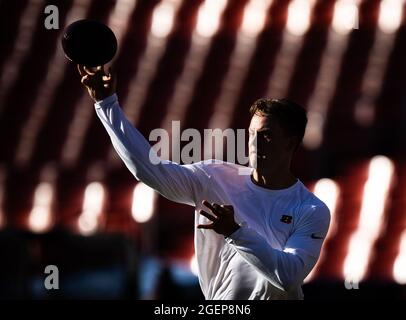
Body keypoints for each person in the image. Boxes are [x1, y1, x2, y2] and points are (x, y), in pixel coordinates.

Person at [77, 64, 330, 300]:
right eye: (252, 134)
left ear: (291, 142)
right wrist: (107, 103)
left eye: (266, 136)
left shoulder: (311, 210)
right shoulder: (215, 177)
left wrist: (235, 232)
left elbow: (288, 276)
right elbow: (148, 170)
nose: (254, 143)